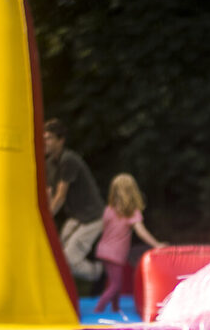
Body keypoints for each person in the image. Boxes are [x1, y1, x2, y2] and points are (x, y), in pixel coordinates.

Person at [44, 118, 105, 284]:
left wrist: (46, 217)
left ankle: (101, 273)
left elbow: (60, 196)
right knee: (56, 255)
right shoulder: (50, 163)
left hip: (92, 217)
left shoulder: (68, 160)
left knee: (69, 259)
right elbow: (49, 192)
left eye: (49, 138)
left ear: (60, 140)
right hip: (76, 217)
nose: (45, 141)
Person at [95, 174, 165, 313]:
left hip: (103, 250)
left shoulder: (109, 209)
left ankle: (115, 308)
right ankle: (98, 310)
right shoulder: (131, 212)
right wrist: (156, 244)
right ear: (133, 192)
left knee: (116, 282)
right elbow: (141, 232)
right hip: (115, 253)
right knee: (115, 284)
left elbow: (104, 229)